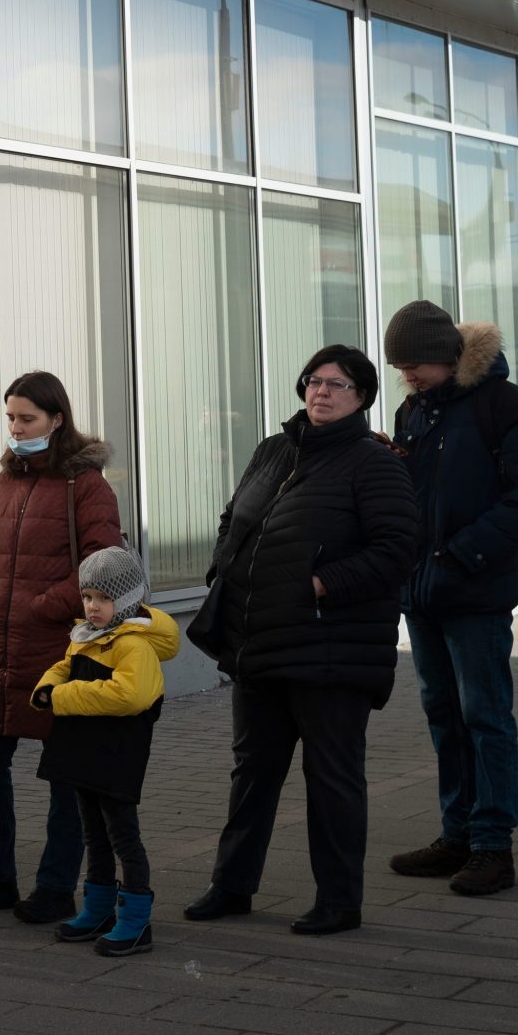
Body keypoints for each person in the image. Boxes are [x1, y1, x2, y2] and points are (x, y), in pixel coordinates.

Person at [187, 345, 416, 937]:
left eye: (337, 384)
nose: (321, 392)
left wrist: (320, 584)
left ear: (361, 396)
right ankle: (232, 885)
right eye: (315, 381)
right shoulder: (274, 449)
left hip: (330, 650)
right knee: (252, 771)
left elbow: (396, 550)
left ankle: (339, 901)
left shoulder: (375, 463)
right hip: (258, 640)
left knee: (332, 778)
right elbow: (234, 516)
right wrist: (224, 568)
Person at [381, 301, 518, 897]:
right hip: (422, 592)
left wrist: (460, 554)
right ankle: (456, 833)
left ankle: (492, 845)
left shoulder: (501, 403)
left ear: (446, 356)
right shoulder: (412, 411)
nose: (406, 375)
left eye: (415, 364)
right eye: (399, 366)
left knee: (484, 716)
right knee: (443, 716)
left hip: (475, 591)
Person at [0, 371, 123, 927]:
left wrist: (45, 605)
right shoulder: (8, 481)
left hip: (58, 648)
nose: (16, 429)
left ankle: (54, 887)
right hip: (0, 645)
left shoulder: (85, 485)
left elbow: (105, 566)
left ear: (57, 420)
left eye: (28, 419)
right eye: (11, 418)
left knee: (64, 777)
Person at [31, 545, 175, 958]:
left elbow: (130, 695)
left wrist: (63, 696)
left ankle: (135, 919)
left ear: (126, 600)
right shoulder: (87, 635)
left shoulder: (134, 644)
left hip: (116, 753)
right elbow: (67, 666)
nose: (93, 607)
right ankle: (98, 909)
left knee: (123, 835)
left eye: (104, 598)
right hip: (84, 750)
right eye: (88, 597)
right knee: (92, 832)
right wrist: (46, 687)